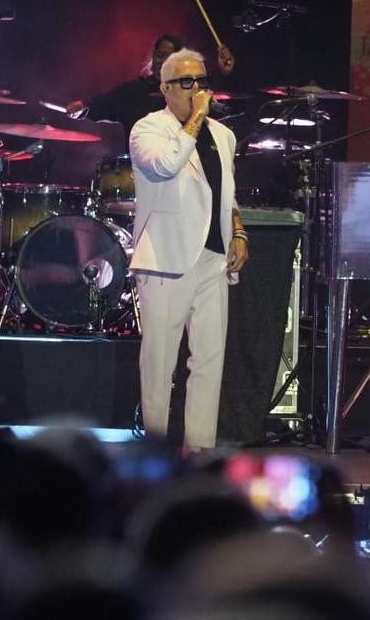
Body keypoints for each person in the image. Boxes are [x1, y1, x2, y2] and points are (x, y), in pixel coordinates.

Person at [128, 48, 248, 454]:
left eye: (202, 80)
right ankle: (157, 453)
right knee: (160, 364)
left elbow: (226, 194)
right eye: (186, 82)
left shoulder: (223, 135)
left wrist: (238, 232)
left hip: (213, 260)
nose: (197, 89)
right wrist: (196, 118)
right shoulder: (147, 130)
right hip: (166, 260)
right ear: (164, 88)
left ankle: (199, 453)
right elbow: (166, 165)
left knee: (209, 361)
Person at [67, 34, 235, 138]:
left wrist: (226, 75)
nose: (162, 62)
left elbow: (222, 107)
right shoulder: (133, 92)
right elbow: (102, 105)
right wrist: (83, 107)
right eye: (160, 55)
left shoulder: (193, 93)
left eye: (170, 58)